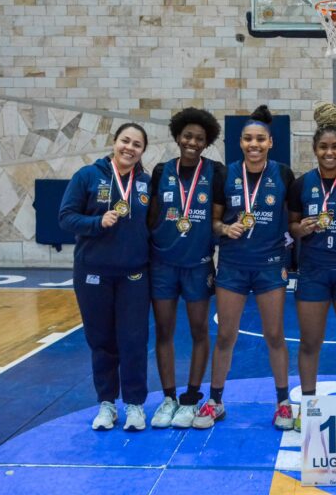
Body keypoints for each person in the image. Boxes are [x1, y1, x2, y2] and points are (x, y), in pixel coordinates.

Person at [192, 105, 296, 430]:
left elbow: (293, 220)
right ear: (240, 142)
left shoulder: (283, 175)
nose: (254, 144)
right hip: (233, 266)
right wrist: (225, 228)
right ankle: (215, 401)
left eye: (260, 139)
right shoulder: (226, 174)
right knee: (226, 335)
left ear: (270, 142)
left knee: (275, 335)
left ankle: (283, 404)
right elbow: (213, 221)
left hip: (269, 266)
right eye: (248, 139)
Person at [59, 123, 151, 431]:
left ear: (142, 151)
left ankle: (135, 405)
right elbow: (65, 218)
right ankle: (107, 403)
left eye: (137, 144)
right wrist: (97, 222)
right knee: (101, 340)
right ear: (114, 142)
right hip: (93, 273)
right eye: (125, 141)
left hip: (134, 275)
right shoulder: (87, 176)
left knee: (134, 341)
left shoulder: (145, 183)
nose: (129, 148)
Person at [287, 102, 336, 432]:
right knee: (310, 342)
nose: (329, 152)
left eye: (335, 146)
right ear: (314, 149)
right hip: (314, 271)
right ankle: (307, 408)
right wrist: (301, 229)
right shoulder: (301, 184)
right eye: (323, 147)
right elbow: (292, 226)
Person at [147, 108, 223, 428]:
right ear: (177, 137)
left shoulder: (215, 172)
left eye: (199, 138)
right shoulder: (161, 171)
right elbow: (151, 216)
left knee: (199, 331)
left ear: (207, 142)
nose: (192, 142)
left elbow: (218, 216)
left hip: (198, 265)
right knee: (164, 331)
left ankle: (191, 398)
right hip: (163, 264)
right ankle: (168, 398)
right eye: (188, 136)